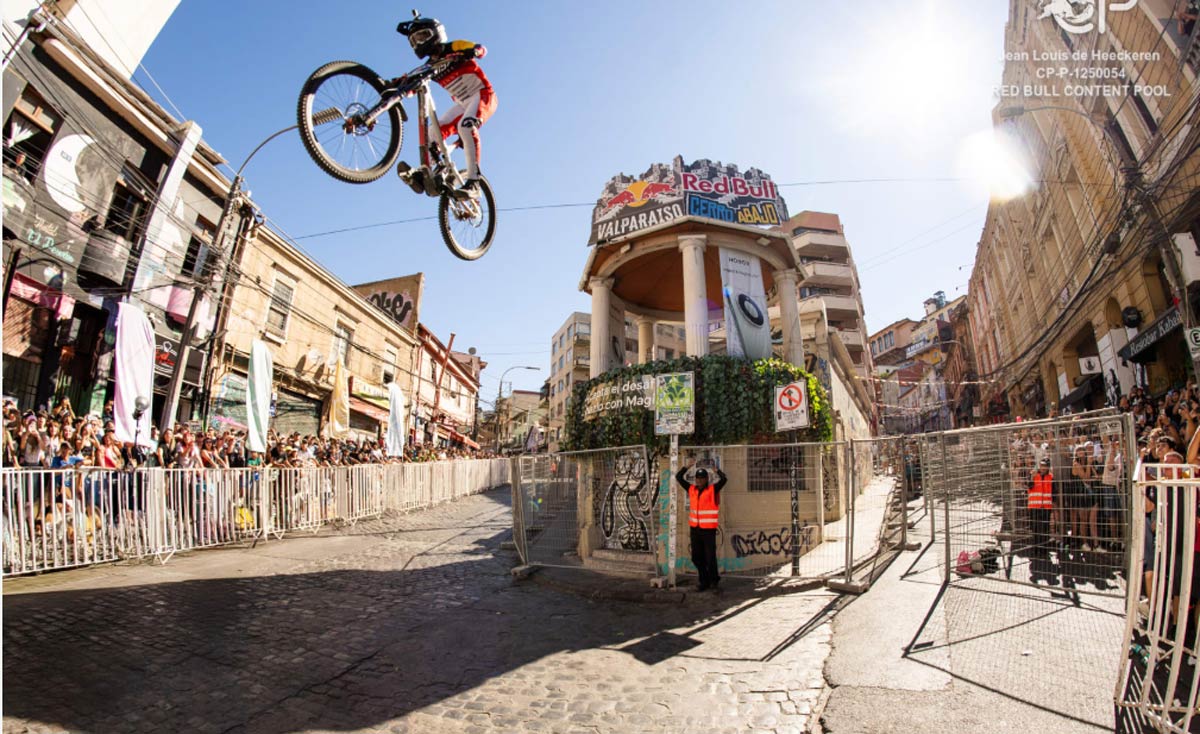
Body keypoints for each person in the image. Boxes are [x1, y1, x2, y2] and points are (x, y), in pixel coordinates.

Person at [394, 14, 494, 198]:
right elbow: (412, 85)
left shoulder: (453, 48)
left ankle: (474, 183)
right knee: (433, 132)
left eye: (422, 37)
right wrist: (398, 86)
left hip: (482, 95)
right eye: (414, 41)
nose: (418, 43)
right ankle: (429, 172)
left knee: (466, 127)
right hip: (463, 104)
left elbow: (479, 48)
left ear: (436, 33)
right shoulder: (430, 66)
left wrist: (475, 51)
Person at [675, 461, 727, 592]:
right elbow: (679, 477)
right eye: (697, 478)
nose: (699, 481)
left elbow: (724, 479)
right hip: (695, 529)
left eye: (702, 478)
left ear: (706, 479)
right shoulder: (691, 489)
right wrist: (688, 466)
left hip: (708, 530)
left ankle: (714, 581)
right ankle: (704, 580)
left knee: (710, 558)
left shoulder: (712, 489)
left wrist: (716, 470)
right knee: (696, 557)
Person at [1028, 457, 1058, 585]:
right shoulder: (1034, 476)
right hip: (1034, 507)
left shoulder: (1051, 477)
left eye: (1045, 466)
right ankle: (1036, 548)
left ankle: (1043, 548)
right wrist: (1031, 477)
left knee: (1044, 528)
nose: (1043, 468)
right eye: (1041, 465)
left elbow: (1054, 492)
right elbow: (1029, 487)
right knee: (1035, 528)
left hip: (1045, 507)